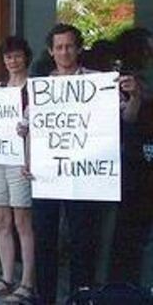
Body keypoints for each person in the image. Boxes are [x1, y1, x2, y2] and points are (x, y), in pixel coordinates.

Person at [27, 23, 141, 304]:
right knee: (44, 240)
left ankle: (80, 298)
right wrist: (28, 159)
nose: (64, 51)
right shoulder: (42, 87)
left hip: (85, 178)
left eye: (69, 46)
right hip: (48, 175)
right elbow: (31, 128)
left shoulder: (98, 82)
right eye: (59, 47)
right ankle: (46, 298)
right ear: (51, 52)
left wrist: (135, 95)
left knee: (82, 242)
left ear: (78, 49)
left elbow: (128, 118)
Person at [0, 37, 35, 303]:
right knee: (1, 220)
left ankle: (27, 282)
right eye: (8, 57)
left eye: (17, 56)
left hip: (22, 160)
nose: (13, 61)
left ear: (26, 57)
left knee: (22, 222)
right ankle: (7, 277)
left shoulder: (36, 89)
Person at [108, 27, 153, 285]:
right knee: (131, 232)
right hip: (133, 165)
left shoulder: (143, 78)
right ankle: (126, 286)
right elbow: (128, 120)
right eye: (147, 49)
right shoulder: (121, 80)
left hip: (142, 163)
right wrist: (134, 97)